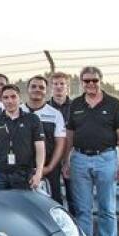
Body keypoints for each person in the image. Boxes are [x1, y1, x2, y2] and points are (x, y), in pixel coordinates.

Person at [63, 66, 119, 236]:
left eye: (94, 80)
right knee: (83, 210)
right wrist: (66, 160)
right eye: (86, 81)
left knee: (107, 209)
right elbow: (69, 136)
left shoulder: (114, 104)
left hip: (106, 159)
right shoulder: (75, 104)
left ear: (101, 81)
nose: (90, 84)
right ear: (81, 82)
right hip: (80, 160)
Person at [0, 84, 45, 191]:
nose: (9, 101)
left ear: (19, 98)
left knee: (22, 207)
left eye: (13, 97)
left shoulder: (32, 119)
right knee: (1, 207)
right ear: (1, 100)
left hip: (24, 175)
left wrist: (38, 173)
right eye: (5, 98)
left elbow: (40, 148)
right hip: (0, 175)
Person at [22, 76, 67, 202]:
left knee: (53, 204)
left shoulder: (55, 114)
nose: (37, 89)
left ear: (46, 91)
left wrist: (50, 167)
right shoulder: (18, 111)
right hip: (22, 169)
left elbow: (60, 143)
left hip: (49, 169)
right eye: (34, 86)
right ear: (28, 89)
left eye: (41, 87)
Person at [49, 71, 74, 210]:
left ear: (67, 87)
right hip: (51, 157)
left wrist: (68, 159)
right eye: (55, 84)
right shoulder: (45, 107)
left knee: (73, 197)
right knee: (54, 196)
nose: (59, 87)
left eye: (62, 84)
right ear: (50, 87)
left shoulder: (76, 107)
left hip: (71, 157)